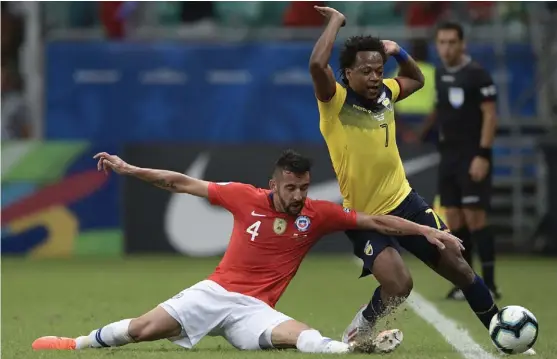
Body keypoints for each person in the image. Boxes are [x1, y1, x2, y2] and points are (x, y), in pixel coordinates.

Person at [31, 149, 462, 354]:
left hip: (255, 310)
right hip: (215, 293)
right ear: (274, 184)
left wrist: (430, 233)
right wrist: (130, 170)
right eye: (291, 187)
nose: (298, 196)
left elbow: (379, 221)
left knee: (298, 336)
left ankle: (348, 349)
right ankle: (75, 343)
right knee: (142, 330)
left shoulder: (319, 214)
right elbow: (180, 183)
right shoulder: (243, 196)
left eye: (304, 188)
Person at [308, 5, 501, 352]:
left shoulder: (386, 92)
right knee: (399, 285)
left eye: (378, 70)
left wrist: (399, 52)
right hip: (366, 217)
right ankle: (361, 326)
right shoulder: (334, 102)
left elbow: (417, 79)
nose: (373, 77)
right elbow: (315, 66)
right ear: (347, 73)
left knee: (458, 265)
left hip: (406, 202)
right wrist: (336, 22)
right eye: (365, 71)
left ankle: (502, 331)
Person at [417, 22, 500, 301]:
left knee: (475, 217)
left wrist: (483, 154)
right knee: (453, 218)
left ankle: (489, 283)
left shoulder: (477, 74)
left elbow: (490, 115)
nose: (447, 48)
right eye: (442, 42)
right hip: (449, 157)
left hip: (471, 154)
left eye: (452, 42)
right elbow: (441, 111)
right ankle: (468, 282)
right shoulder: (439, 74)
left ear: (462, 44)